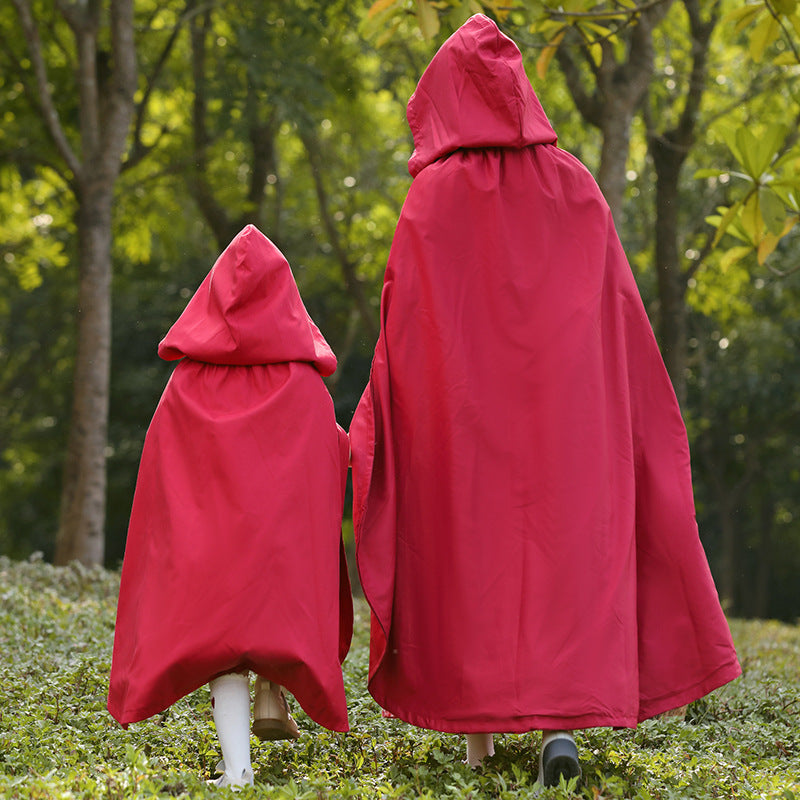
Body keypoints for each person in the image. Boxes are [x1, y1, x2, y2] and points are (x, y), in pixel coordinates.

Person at [348, 14, 741, 788]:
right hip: (570, 425)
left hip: (463, 428)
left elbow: (405, 333)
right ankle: (560, 726)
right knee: (564, 561)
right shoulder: (579, 189)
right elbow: (619, 317)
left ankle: (480, 742)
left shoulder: (431, 201)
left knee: (472, 560)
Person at [108, 225, 352, 787]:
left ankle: (237, 767)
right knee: (271, 622)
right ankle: (273, 689)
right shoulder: (302, 383)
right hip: (276, 551)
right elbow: (326, 458)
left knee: (222, 644)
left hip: (211, 546)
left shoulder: (188, 381)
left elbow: (161, 470)